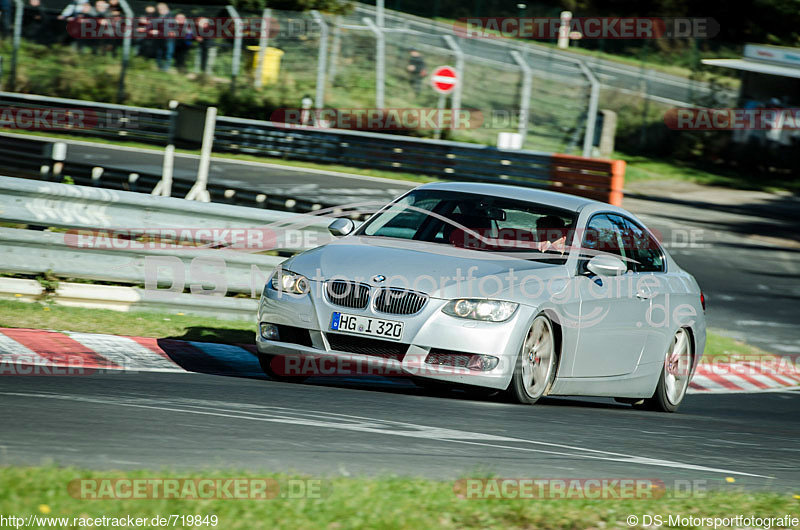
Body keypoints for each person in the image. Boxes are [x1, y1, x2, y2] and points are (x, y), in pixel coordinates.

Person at [152, 2, 173, 71]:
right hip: (161, 37)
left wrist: (158, 32)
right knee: (159, 52)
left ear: (165, 9)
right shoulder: (161, 16)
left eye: (160, 9)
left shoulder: (170, 16)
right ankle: (160, 66)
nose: (159, 11)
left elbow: (168, 29)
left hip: (168, 38)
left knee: (168, 53)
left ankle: (166, 68)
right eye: (158, 9)